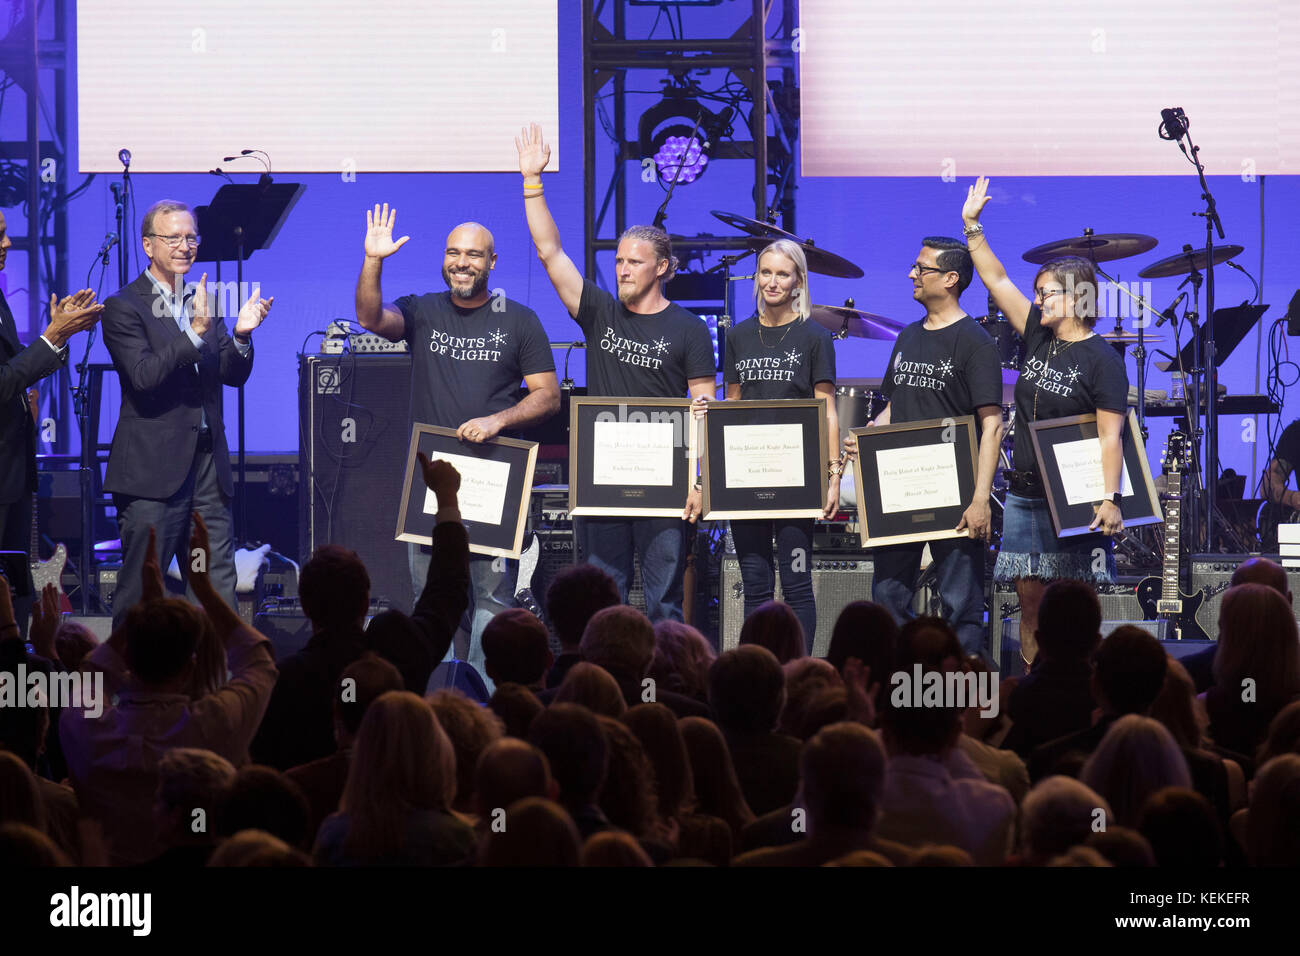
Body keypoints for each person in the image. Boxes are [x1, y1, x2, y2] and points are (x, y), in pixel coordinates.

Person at [517, 123, 717, 622]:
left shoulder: (689, 329)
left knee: (665, 602)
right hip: (603, 477)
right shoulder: (598, 311)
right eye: (619, 261)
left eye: (635, 262)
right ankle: (604, 691)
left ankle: (666, 690)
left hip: (665, 483)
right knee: (602, 600)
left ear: (663, 267)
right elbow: (550, 253)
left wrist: (701, 483)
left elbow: (704, 411)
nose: (623, 269)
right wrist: (532, 183)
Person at [355, 207, 559, 689]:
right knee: (432, 597)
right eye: (453, 252)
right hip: (432, 478)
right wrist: (373, 261)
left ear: (492, 262)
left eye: (473, 254)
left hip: (496, 478)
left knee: (491, 596)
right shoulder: (422, 310)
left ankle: (488, 700)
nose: (461, 262)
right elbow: (368, 317)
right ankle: (442, 698)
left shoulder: (520, 321)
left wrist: (497, 420)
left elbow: (548, 395)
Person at [962, 176, 1128, 665]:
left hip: (1078, 500)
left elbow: (1109, 436)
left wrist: (1110, 498)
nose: (1038, 300)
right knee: (1030, 609)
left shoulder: (1102, 359)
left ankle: (1083, 692)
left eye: (1047, 293)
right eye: (1037, 292)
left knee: (1078, 612)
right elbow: (995, 279)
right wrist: (973, 226)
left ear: (1077, 298)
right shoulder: (1037, 334)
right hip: (1026, 494)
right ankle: (1039, 695)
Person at [101, 199, 273, 626]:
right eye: (173, 237)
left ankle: (218, 687)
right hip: (151, 476)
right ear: (148, 245)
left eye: (191, 237)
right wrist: (195, 333)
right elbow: (142, 376)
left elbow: (231, 375)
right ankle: (132, 688)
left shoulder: (202, 298)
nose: (184, 246)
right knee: (144, 592)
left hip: (207, 472)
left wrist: (240, 335)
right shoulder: (124, 306)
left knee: (214, 589)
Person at [843, 237, 1004, 658]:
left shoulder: (975, 342)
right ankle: (903, 689)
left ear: (951, 279)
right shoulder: (909, 337)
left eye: (922, 268)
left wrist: (981, 499)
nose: (912, 274)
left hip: (956, 494)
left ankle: (962, 697)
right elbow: (896, 407)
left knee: (962, 606)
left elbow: (992, 425)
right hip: (901, 491)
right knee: (888, 597)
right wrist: (866, 437)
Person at [714, 239, 839, 650]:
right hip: (745, 474)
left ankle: (800, 671)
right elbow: (732, 403)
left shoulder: (815, 337)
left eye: (782, 274)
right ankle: (758, 668)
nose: (772, 281)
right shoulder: (738, 335)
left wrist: (832, 475)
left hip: (796, 475)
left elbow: (827, 410)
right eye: (765, 272)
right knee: (754, 583)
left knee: (797, 583)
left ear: (798, 281)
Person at [1, 208, 104, 636]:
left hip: (15, 471)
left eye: (6, 234)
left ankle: (18, 676)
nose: (7, 244)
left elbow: (17, 370)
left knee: (18, 590)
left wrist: (56, 336)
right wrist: (52, 337)